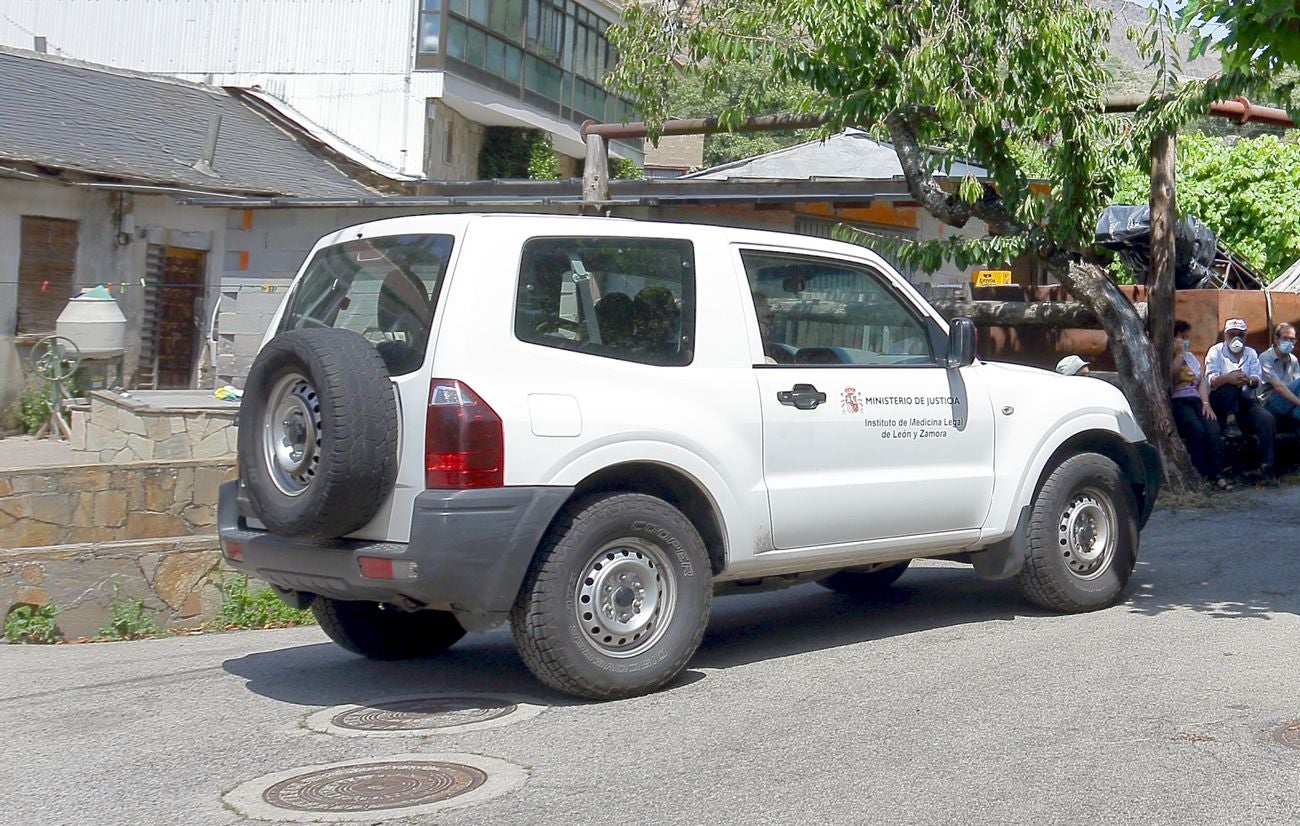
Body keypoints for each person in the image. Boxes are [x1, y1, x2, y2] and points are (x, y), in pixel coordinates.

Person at [1205, 317, 1277, 484]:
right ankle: (1231, 422)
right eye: (1232, 335)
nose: (1236, 339)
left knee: (1267, 419)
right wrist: (1229, 378)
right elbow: (1211, 380)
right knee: (1230, 388)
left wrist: (1247, 380)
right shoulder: (1215, 351)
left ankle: (1267, 467)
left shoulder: (1251, 353)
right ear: (1225, 336)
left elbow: (1256, 379)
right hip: (1221, 402)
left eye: (1240, 335)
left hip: (1245, 401)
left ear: (1245, 337)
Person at [1169, 320, 1231, 491]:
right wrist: (1179, 355)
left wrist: (1206, 403)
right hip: (1179, 401)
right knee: (1197, 432)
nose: (1186, 341)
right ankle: (1197, 475)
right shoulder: (1166, 357)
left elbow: (1201, 382)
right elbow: (1170, 379)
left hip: (1196, 400)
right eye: (1182, 338)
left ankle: (1217, 475)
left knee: (1213, 430)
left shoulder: (1191, 358)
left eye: (1187, 338)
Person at [1260, 321, 1300, 425]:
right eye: (1285, 338)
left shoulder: (1293, 359)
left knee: (1297, 412)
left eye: (1292, 339)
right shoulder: (1265, 358)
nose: (1289, 342)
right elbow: (1279, 388)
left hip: (1290, 401)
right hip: (1269, 404)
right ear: (1276, 339)